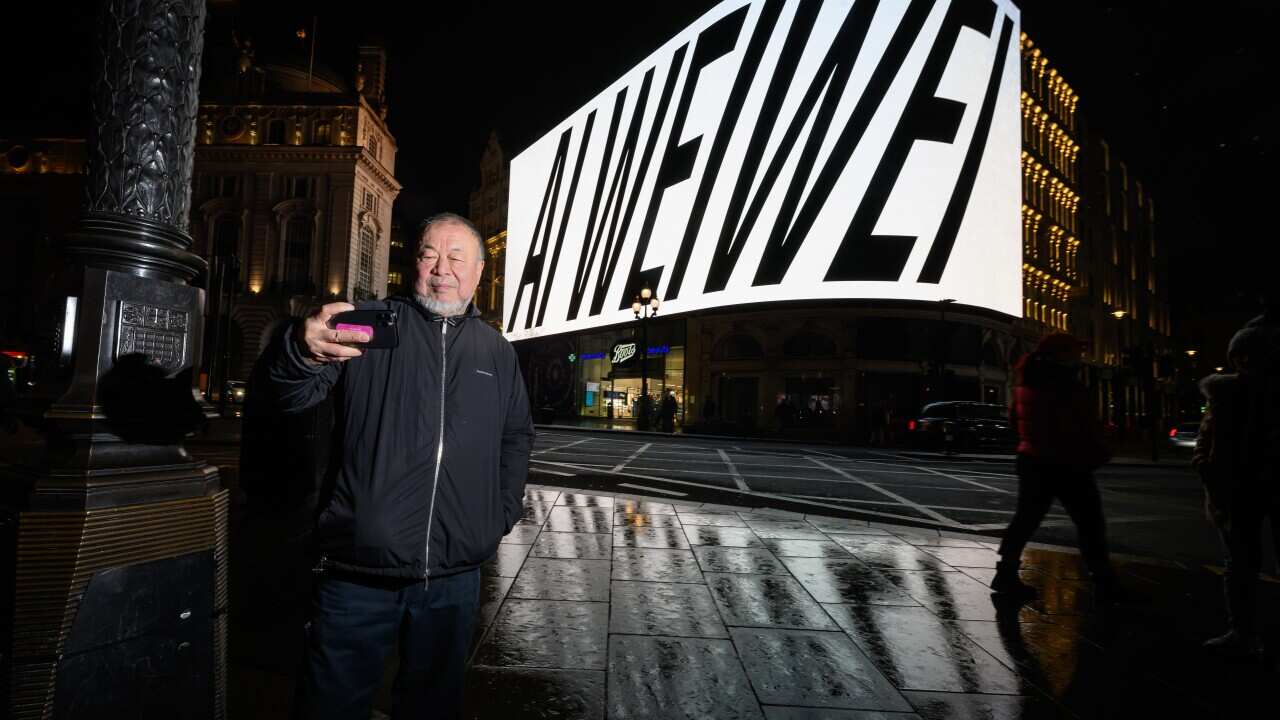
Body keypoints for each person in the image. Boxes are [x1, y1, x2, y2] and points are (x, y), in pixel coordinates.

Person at [264, 212, 534, 719]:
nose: (442, 269)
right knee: (329, 706)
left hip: (454, 578)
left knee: (433, 706)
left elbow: (516, 436)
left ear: (479, 271)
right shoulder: (367, 324)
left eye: (457, 257)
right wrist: (301, 350)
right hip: (357, 573)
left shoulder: (495, 350)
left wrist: (498, 514)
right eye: (430, 254)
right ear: (414, 264)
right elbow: (293, 395)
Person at [991, 333, 1120, 602]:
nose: (1079, 357)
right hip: (1068, 463)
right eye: (1074, 352)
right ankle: (1103, 579)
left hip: (1032, 460)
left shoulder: (1025, 382)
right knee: (1090, 524)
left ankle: (1005, 572)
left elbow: (1016, 421)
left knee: (1025, 520)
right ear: (1060, 355)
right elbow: (1082, 424)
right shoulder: (1066, 385)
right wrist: (1098, 452)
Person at [1193, 314, 1280, 657]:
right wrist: (1205, 465)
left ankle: (1244, 631)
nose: (1245, 361)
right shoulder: (1224, 393)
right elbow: (1205, 438)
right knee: (1240, 564)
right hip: (1236, 488)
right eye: (1240, 355)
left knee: (1241, 564)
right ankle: (1242, 630)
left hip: (1259, 485)